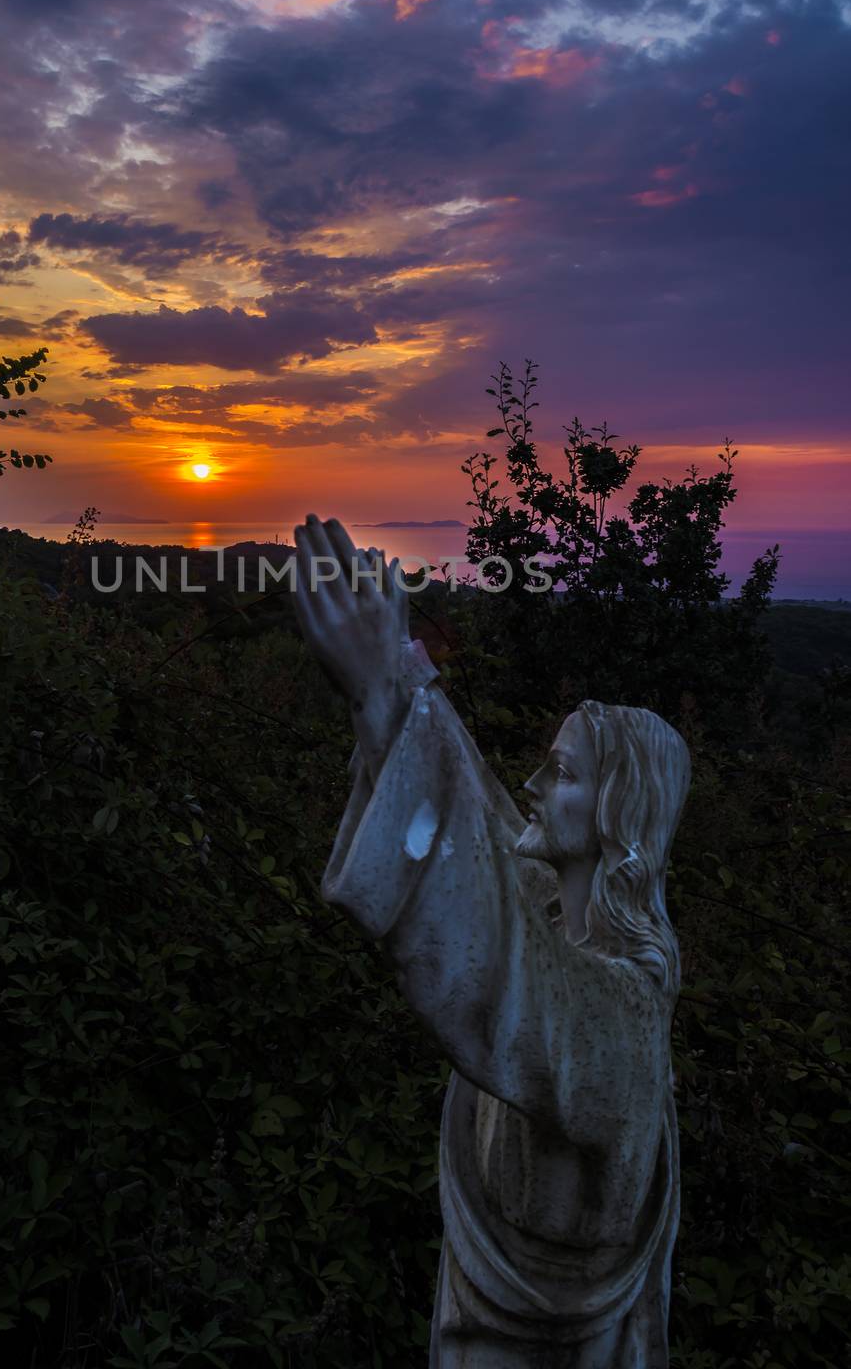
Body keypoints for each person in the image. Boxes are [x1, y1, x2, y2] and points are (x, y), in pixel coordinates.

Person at [292, 515, 690, 1367]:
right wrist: (394, 678)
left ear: (617, 815)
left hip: (551, 1340)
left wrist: (387, 697)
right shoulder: (550, 906)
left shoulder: (622, 1004)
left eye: (566, 773)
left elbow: (505, 978)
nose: (536, 784)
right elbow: (477, 823)